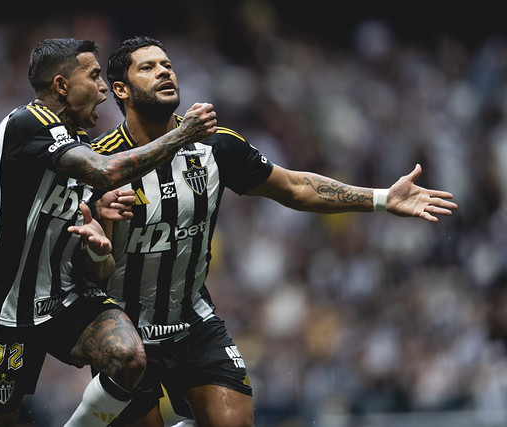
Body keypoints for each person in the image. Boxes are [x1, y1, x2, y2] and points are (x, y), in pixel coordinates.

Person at [70, 36, 458, 427]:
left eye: (167, 65)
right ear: (121, 89)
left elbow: (294, 187)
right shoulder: (100, 164)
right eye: (148, 67)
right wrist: (99, 247)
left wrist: (382, 198)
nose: (164, 72)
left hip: (192, 322)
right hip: (124, 334)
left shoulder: (215, 145)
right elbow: (84, 270)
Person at [0, 37, 218, 427]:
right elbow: (105, 171)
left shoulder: (78, 142)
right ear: (62, 85)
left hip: (67, 298)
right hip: (11, 308)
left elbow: (100, 267)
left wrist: (99, 241)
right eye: (94, 76)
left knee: (129, 358)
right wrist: (183, 135)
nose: (104, 88)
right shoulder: (27, 123)